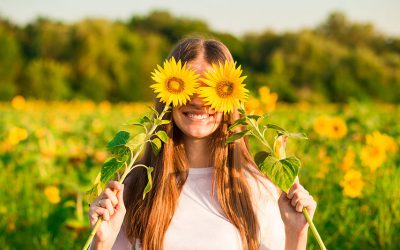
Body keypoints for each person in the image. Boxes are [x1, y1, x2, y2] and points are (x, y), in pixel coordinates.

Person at [88, 37, 317, 250]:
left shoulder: (257, 189)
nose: (199, 100)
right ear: (167, 92)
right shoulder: (135, 187)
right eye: (187, 87)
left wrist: (296, 233)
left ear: (230, 97)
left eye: (211, 89)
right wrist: (101, 242)